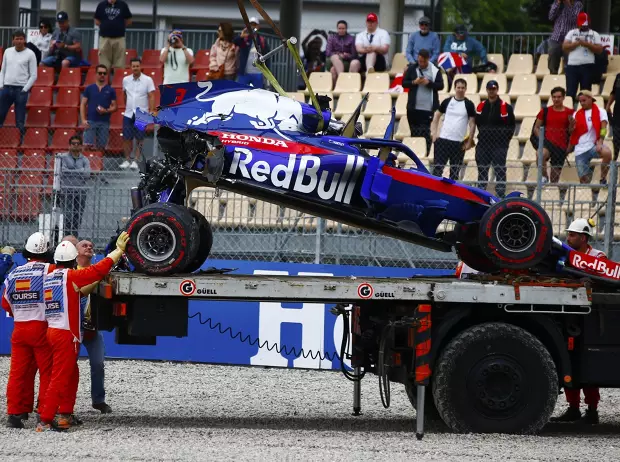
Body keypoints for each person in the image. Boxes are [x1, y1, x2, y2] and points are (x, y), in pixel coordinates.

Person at [36, 233, 129, 432]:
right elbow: (97, 270)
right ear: (72, 259)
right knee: (60, 377)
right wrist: (119, 251)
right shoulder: (71, 277)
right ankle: (45, 418)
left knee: (69, 374)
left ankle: (64, 415)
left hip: (52, 330)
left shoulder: (50, 277)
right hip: (66, 334)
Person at [550, 218, 603, 424]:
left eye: (572, 235)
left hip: (589, 316)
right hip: (570, 313)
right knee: (571, 361)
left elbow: (604, 279)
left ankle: (592, 410)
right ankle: (573, 408)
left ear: (583, 237)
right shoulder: (565, 256)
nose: (568, 237)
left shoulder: (598, 257)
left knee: (587, 362)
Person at [2, 232, 54, 429]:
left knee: (18, 373)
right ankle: (44, 414)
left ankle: (15, 415)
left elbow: (6, 304)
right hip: (42, 327)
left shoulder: (14, 273)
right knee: (47, 372)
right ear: (48, 250)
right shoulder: (51, 269)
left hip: (20, 329)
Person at [77, 239, 113, 414]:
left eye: (91, 245)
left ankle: (98, 400)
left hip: (92, 327)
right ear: (75, 252)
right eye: (84, 245)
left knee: (98, 364)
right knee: (67, 366)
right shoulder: (69, 272)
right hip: (72, 328)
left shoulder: (98, 271)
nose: (89, 247)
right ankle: (62, 403)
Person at [474, 79, 516, 198]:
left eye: (494, 89)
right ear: (487, 90)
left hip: (500, 145)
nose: (491, 91)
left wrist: (505, 140)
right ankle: (481, 195)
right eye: (489, 89)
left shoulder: (506, 107)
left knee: (500, 170)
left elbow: (511, 126)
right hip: (483, 144)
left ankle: (500, 194)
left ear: (497, 90)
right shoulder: (481, 106)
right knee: (482, 170)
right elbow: (478, 123)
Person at [568, 90, 611, 203]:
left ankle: (602, 179)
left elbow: (603, 128)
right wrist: (571, 126)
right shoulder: (576, 114)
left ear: (591, 99)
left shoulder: (600, 111)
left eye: (584, 100)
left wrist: (600, 141)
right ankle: (589, 203)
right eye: (580, 101)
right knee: (584, 182)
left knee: (607, 153)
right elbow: (571, 132)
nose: (582, 103)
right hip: (580, 150)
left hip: (593, 146)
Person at [430, 78, 477, 181]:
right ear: (455, 88)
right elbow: (436, 116)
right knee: (437, 169)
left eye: (462, 88)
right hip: (443, 140)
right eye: (458, 87)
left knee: (455, 171)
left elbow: (472, 124)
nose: (460, 90)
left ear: (465, 89)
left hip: (458, 143)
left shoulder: (469, 104)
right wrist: (434, 134)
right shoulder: (447, 101)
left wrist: (469, 141)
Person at [402, 49, 444, 156]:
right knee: (414, 133)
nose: (421, 64)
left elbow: (440, 85)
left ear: (428, 59)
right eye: (419, 61)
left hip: (428, 109)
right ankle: (414, 154)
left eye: (423, 62)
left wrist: (428, 83)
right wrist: (414, 82)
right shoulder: (412, 68)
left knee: (426, 134)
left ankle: (426, 154)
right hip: (413, 109)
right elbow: (404, 83)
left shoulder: (435, 70)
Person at [533, 86, 574, 184]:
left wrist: (569, 146)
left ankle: (551, 190)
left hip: (561, 146)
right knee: (540, 154)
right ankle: (544, 177)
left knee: (555, 179)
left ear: (563, 98)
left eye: (559, 97)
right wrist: (542, 140)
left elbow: (572, 132)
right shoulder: (545, 111)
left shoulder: (570, 112)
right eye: (554, 97)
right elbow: (536, 128)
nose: (556, 99)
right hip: (547, 143)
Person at [0, 30, 38, 137]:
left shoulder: (30, 54)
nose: (19, 41)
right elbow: (2, 70)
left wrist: (25, 89)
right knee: (0, 114)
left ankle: (19, 143)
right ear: (13, 40)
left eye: (21, 38)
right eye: (17, 38)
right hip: (6, 88)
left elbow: (34, 75)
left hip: (21, 90)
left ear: (24, 40)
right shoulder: (7, 51)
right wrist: (1, 86)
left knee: (20, 119)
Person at [121, 58, 156, 170]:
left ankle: (136, 160)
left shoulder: (148, 80)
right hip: (128, 113)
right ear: (130, 67)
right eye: (133, 66)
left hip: (142, 114)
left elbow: (151, 96)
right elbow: (124, 95)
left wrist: (151, 110)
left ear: (140, 67)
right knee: (126, 138)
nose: (135, 68)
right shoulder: (125, 80)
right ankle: (127, 160)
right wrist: (127, 106)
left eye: (137, 66)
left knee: (140, 138)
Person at [562, 12, 603, 98]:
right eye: (582, 24)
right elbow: (564, 47)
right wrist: (576, 44)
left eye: (585, 24)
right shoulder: (572, 32)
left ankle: (585, 110)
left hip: (588, 65)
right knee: (570, 92)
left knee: (586, 92)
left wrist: (587, 44)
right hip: (572, 65)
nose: (583, 26)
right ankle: (571, 109)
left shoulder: (594, 34)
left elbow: (599, 50)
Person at [58, 135, 91, 237]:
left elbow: (87, 174)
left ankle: (74, 236)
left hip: (80, 191)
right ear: (69, 145)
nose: (75, 146)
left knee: (78, 215)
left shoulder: (85, 159)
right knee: (67, 215)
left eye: (78, 144)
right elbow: (62, 171)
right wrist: (80, 171)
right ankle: (66, 236)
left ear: (81, 146)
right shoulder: (63, 157)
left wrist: (71, 172)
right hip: (66, 190)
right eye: (73, 144)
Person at [81, 64, 117, 150]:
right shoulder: (89, 88)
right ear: (96, 74)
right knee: (87, 146)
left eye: (104, 73)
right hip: (90, 121)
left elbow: (115, 107)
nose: (102, 75)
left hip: (104, 122)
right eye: (100, 73)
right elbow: (83, 104)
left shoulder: (111, 90)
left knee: (101, 147)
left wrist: (106, 111)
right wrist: (83, 120)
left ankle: (98, 163)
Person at [94, 0, 133, 71]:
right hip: (105, 38)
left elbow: (129, 20)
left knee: (120, 64)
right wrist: (105, 26)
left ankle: (118, 81)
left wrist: (119, 26)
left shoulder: (123, 5)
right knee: (104, 65)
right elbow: (97, 21)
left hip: (119, 38)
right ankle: (105, 81)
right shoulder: (101, 5)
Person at [548, 0, 583, 75]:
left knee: (569, 63)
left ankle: (568, 78)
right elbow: (551, 17)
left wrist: (568, 4)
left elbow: (574, 19)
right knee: (553, 55)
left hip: (569, 39)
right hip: (556, 37)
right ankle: (553, 77)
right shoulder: (557, 2)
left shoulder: (578, 4)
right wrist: (558, 3)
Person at [234, 17, 270, 88]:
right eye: (250, 24)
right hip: (244, 72)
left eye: (254, 24)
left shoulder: (262, 40)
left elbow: (267, 56)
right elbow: (235, 42)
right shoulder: (244, 38)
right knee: (241, 91)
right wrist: (241, 36)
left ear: (258, 26)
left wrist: (267, 72)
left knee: (258, 93)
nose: (252, 27)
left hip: (258, 73)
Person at [326, 20, 360, 87]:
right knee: (335, 57)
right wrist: (339, 54)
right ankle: (342, 78)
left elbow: (354, 55)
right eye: (339, 28)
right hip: (333, 61)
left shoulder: (351, 39)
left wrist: (346, 56)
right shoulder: (332, 38)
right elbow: (328, 52)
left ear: (346, 29)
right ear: (337, 29)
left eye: (343, 28)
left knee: (333, 70)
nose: (341, 30)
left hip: (346, 62)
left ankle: (338, 88)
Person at [605, 74, 620, 160]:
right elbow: (613, 92)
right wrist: (608, 106)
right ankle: (615, 158)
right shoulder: (618, 76)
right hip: (617, 112)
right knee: (616, 138)